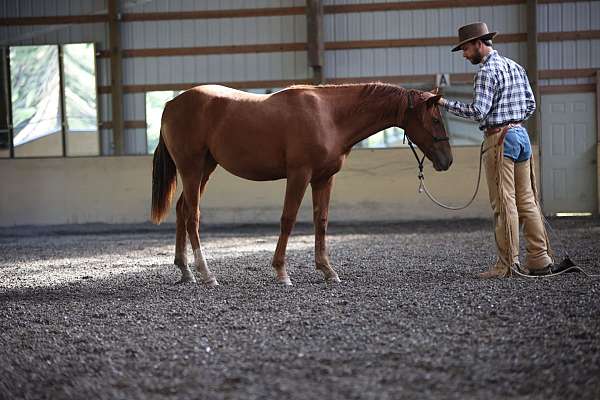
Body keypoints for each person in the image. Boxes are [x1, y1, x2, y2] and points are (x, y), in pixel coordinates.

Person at [436, 22, 554, 278]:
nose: (465, 55)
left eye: (466, 49)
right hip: (520, 135)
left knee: (504, 203)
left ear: (479, 44)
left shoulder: (486, 72)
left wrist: (444, 103)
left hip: (499, 139)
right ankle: (539, 258)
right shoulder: (515, 67)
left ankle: (507, 265)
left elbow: (478, 112)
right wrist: (514, 120)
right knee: (528, 201)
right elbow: (531, 106)